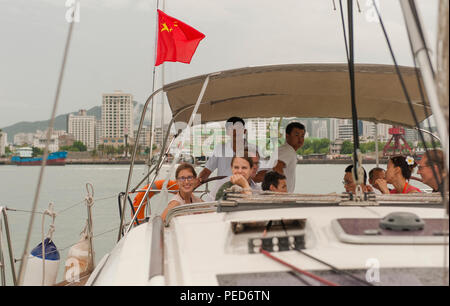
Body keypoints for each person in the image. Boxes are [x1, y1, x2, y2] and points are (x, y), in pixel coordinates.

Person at [197, 117, 257, 187]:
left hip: (247, 190)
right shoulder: (220, 149)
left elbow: (260, 173)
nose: (235, 131)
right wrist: (198, 181)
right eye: (232, 129)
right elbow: (207, 171)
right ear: (227, 132)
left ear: (244, 131)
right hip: (223, 191)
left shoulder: (253, 150)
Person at [255, 122, 305, 193]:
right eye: (296, 135)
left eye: (302, 136)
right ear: (287, 136)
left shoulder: (282, 149)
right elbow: (277, 168)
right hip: (281, 197)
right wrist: (282, 189)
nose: (300, 139)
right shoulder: (288, 150)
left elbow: (270, 171)